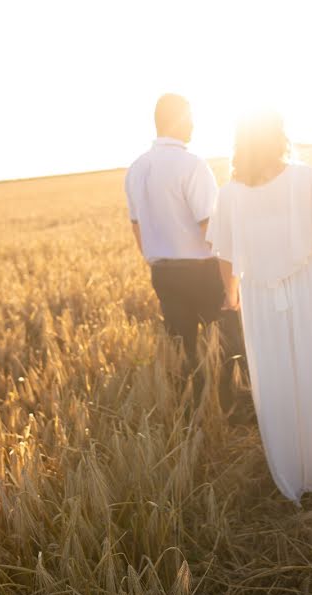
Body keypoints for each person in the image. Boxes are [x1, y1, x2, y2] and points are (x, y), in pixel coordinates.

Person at [205, 110, 312, 505]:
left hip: (260, 297)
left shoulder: (229, 192)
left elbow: (225, 253)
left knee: (277, 379)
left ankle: (295, 473)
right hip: (310, 287)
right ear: (279, 136)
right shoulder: (305, 177)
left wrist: (231, 294)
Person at [124, 93, 246, 412]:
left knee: (183, 349)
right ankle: (232, 411)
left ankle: (192, 414)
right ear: (177, 119)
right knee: (227, 344)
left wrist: (154, 259)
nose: (193, 123)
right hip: (203, 272)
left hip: (163, 272)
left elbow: (136, 225)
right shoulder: (192, 165)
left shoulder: (136, 169)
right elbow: (210, 228)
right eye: (189, 116)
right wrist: (230, 281)